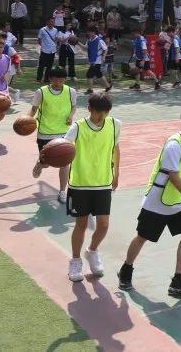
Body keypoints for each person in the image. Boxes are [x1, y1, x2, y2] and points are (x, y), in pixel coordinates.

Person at [118, 106, 181, 295]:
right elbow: (174, 177)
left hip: (179, 201)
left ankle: (178, 280)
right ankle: (126, 270)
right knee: (143, 237)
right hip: (158, 202)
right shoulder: (174, 145)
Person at [62, 92, 120, 282]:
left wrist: (116, 173)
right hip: (80, 184)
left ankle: (92, 251)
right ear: (89, 110)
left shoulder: (114, 125)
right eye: (97, 112)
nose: (101, 116)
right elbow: (63, 147)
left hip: (103, 183)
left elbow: (116, 148)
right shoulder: (77, 127)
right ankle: (75, 261)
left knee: (103, 225)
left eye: (104, 112)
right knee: (81, 224)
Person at [30, 67, 78, 203]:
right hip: (45, 133)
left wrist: (71, 115)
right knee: (46, 163)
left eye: (61, 79)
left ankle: (63, 191)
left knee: (65, 161)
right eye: (55, 79)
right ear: (50, 79)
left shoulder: (71, 91)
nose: (59, 81)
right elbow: (34, 108)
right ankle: (40, 165)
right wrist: (28, 121)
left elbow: (74, 106)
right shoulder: (41, 92)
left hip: (64, 133)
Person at [84, 27, 112, 95]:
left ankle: (90, 89)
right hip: (92, 59)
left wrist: (104, 57)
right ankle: (108, 86)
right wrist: (77, 42)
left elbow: (105, 49)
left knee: (89, 74)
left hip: (97, 60)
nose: (89, 33)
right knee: (98, 74)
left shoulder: (99, 40)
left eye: (91, 32)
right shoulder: (89, 40)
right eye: (89, 32)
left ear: (94, 32)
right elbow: (85, 48)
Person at [0, 39, 11, 137]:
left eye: (0, 47)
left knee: (2, 113)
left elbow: (8, 72)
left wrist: (6, 76)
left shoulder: (7, 58)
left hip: (3, 88)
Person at [36, 17, 60, 83]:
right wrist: (43, 46)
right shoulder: (42, 30)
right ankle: (39, 79)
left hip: (52, 50)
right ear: (47, 22)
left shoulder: (55, 30)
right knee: (41, 66)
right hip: (44, 50)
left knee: (49, 66)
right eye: (50, 21)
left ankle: (46, 79)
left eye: (53, 22)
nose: (51, 23)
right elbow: (39, 40)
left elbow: (56, 39)